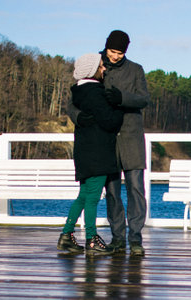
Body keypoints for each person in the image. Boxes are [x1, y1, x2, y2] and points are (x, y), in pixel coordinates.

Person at [68, 30, 151, 256]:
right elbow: (74, 100)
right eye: (113, 52)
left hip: (131, 139)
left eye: (120, 52)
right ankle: (117, 239)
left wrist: (122, 98)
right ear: (106, 47)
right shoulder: (94, 65)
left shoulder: (135, 70)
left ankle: (135, 239)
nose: (115, 56)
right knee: (112, 193)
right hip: (105, 142)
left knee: (136, 190)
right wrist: (78, 117)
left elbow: (144, 98)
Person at [57, 53, 124, 256]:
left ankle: (66, 236)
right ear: (93, 70)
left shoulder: (79, 92)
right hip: (98, 153)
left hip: (84, 152)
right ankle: (92, 240)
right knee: (93, 198)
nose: (104, 69)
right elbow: (110, 121)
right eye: (101, 66)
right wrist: (119, 106)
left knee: (83, 196)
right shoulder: (95, 92)